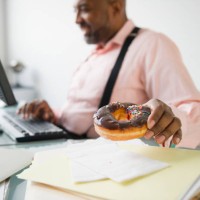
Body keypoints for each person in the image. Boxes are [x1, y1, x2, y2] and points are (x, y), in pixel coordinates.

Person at [17, 0, 200, 148]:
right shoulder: (94, 54)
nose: (77, 19)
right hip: (59, 142)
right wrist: (53, 115)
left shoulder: (152, 44)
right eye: (75, 11)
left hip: (98, 159)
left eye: (84, 9)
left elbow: (195, 117)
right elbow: (83, 109)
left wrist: (167, 118)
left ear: (116, 6)